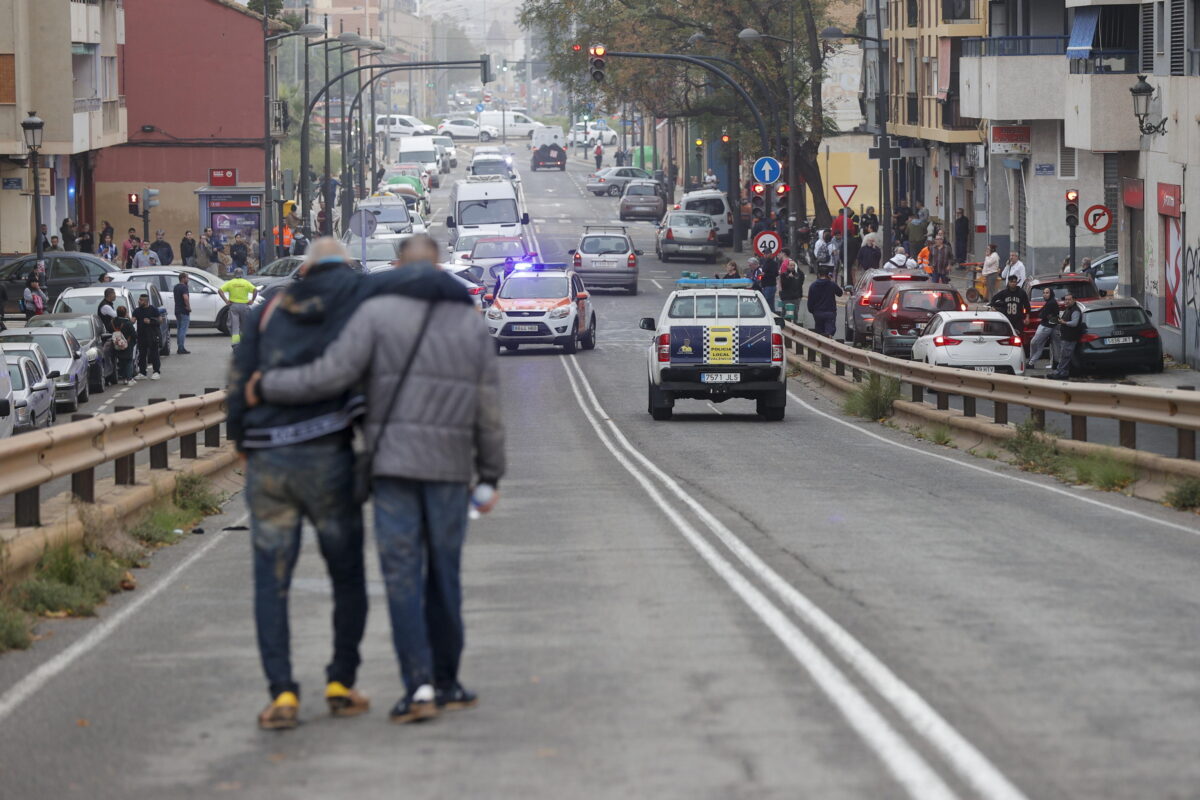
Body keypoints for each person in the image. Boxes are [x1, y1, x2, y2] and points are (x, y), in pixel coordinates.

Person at [243, 235, 501, 727]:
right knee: (444, 575)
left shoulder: (375, 318)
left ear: (402, 266)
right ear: (440, 266)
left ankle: (418, 686)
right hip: (449, 470)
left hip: (392, 468)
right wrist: (489, 473)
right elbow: (489, 409)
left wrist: (268, 388)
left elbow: (330, 375)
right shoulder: (470, 324)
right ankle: (445, 682)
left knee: (402, 578)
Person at [220, 267, 258, 346]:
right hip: (244, 306)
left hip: (234, 306)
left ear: (234, 274)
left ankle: (235, 344)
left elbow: (220, 290)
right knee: (245, 326)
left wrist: (226, 301)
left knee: (235, 326)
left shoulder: (230, 283)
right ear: (242, 274)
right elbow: (255, 290)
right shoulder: (246, 282)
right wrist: (252, 300)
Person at [1026, 286, 1060, 369]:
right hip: (1050, 326)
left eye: (1047, 293)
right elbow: (1042, 314)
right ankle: (1032, 362)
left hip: (1046, 327)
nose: (1045, 294)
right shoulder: (1050, 302)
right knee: (1051, 346)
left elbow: (1042, 315)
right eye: (1044, 293)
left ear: (1051, 293)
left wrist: (1045, 316)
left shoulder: (1051, 303)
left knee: (1034, 342)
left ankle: (1031, 362)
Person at [1051, 293, 1083, 380]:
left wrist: (1064, 322)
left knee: (1065, 356)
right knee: (1065, 355)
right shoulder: (1068, 309)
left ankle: (1059, 372)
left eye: (1069, 299)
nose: (1067, 301)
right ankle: (1064, 373)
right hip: (1066, 336)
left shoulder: (1075, 310)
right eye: (1066, 299)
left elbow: (1074, 323)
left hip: (1070, 337)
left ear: (1074, 300)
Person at [132, 293, 162, 380]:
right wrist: (126, 318)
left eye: (141, 300)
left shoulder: (153, 309)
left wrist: (150, 322)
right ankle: (142, 372)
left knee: (154, 354)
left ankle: (156, 372)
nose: (139, 301)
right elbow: (133, 320)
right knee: (142, 354)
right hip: (141, 336)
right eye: (139, 299)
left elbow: (160, 320)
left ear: (145, 301)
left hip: (152, 335)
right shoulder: (137, 310)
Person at [807, 268, 843, 337]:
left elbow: (810, 301)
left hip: (817, 313)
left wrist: (812, 311)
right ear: (828, 275)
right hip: (830, 312)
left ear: (818, 274)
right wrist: (832, 281)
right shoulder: (831, 284)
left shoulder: (813, 285)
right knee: (829, 333)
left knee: (819, 332)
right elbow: (840, 293)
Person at [112, 306, 137, 384]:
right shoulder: (128, 323)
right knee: (129, 361)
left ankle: (124, 378)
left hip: (117, 344)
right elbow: (134, 334)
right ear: (125, 313)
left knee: (121, 361)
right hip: (127, 344)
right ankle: (129, 378)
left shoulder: (113, 322)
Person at [173, 273, 192, 354]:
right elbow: (185, 298)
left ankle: (179, 347)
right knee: (183, 330)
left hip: (177, 310)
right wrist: (188, 307)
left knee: (179, 329)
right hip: (183, 311)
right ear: (183, 278)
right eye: (187, 278)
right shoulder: (184, 287)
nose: (188, 279)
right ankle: (181, 348)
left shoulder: (176, 287)